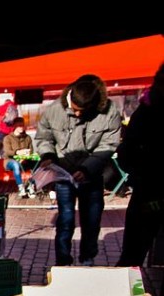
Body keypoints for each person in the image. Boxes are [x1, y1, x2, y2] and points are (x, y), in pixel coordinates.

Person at [35, 74, 123, 266]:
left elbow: (108, 145)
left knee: (91, 221)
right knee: (65, 220)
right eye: (74, 110)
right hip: (63, 174)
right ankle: (62, 260)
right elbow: (43, 138)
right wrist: (48, 155)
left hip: (91, 176)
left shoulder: (109, 112)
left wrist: (87, 168)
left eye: (81, 112)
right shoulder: (54, 110)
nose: (77, 115)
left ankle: (87, 259)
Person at [116, 63, 164, 268]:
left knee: (130, 260)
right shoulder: (145, 113)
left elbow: (125, 156)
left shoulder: (145, 112)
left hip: (147, 193)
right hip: (148, 193)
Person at [3, 117, 36, 197]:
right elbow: (8, 152)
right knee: (15, 165)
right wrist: (18, 153)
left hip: (25, 159)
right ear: (14, 126)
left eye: (22, 125)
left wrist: (24, 157)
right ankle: (21, 188)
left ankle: (31, 185)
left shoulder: (27, 137)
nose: (21, 127)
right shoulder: (8, 138)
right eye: (19, 125)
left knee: (37, 164)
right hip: (10, 160)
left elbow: (31, 151)